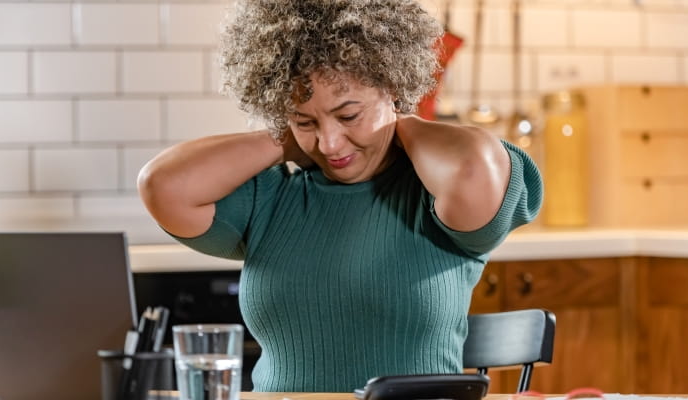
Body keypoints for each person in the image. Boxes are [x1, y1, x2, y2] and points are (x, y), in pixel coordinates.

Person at [138, 0, 543, 393]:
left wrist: (399, 122)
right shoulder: (273, 197)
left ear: (392, 85)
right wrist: (288, 142)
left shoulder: (431, 196)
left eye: (349, 115)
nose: (330, 144)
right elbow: (163, 185)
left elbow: (476, 166)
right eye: (304, 120)